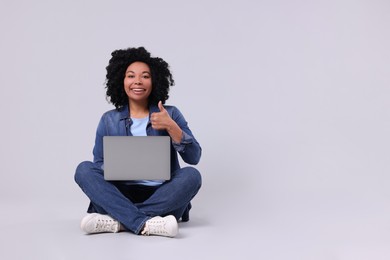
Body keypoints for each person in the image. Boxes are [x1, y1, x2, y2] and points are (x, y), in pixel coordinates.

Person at [74, 47, 202, 238]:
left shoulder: (171, 114)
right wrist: (124, 165)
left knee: (192, 176)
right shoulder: (108, 120)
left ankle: (119, 221)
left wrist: (172, 128)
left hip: (161, 194)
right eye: (131, 76)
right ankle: (147, 222)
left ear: (154, 81)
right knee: (84, 169)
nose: (138, 81)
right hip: (120, 194)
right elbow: (98, 165)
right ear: (121, 81)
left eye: (145, 76)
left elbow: (194, 157)